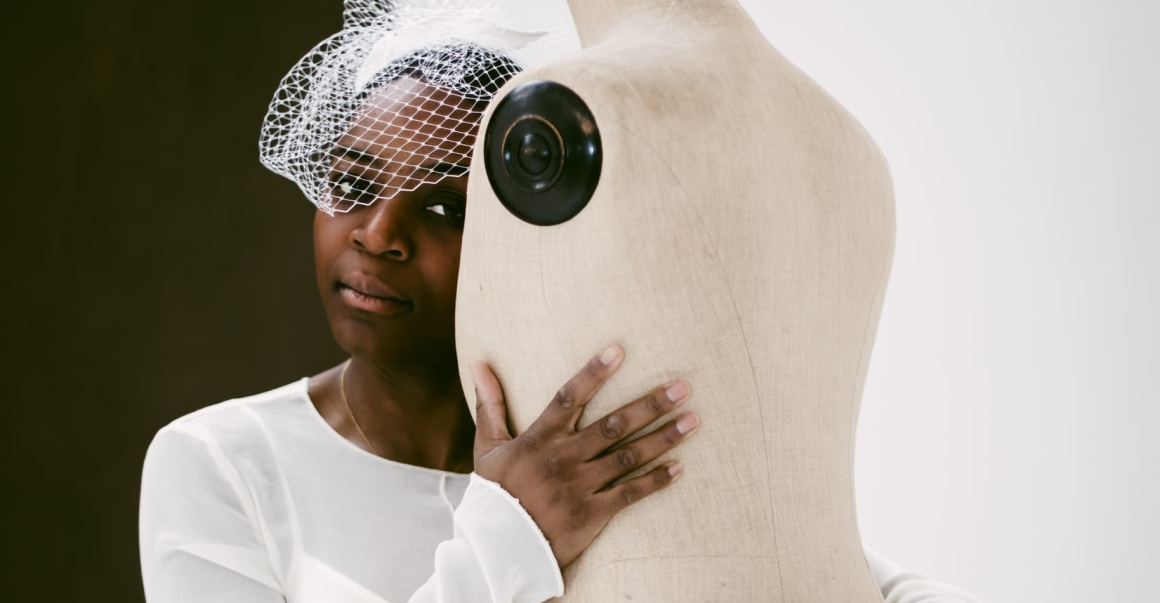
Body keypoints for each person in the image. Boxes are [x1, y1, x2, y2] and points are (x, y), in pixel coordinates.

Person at [139, 2, 982, 602]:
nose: (378, 234)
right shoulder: (216, 464)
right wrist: (512, 535)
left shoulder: (573, 455)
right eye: (352, 186)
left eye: (446, 208)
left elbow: (765, 543)